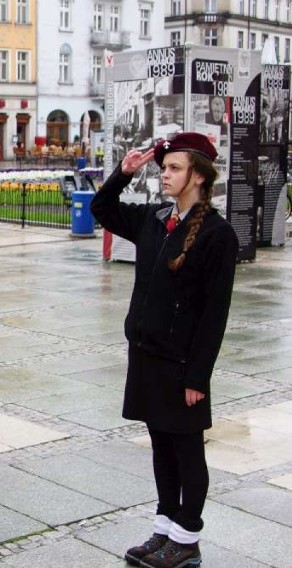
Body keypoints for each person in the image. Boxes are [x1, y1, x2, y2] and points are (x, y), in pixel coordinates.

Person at [90, 133, 238, 568]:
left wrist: (198, 377)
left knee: (187, 449)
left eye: (174, 168)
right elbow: (102, 209)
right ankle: (165, 529)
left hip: (181, 365)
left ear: (198, 175)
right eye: (164, 168)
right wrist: (123, 173)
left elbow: (216, 314)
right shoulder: (155, 219)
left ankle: (187, 539)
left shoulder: (217, 235)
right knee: (160, 446)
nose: (165, 175)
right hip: (146, 353)